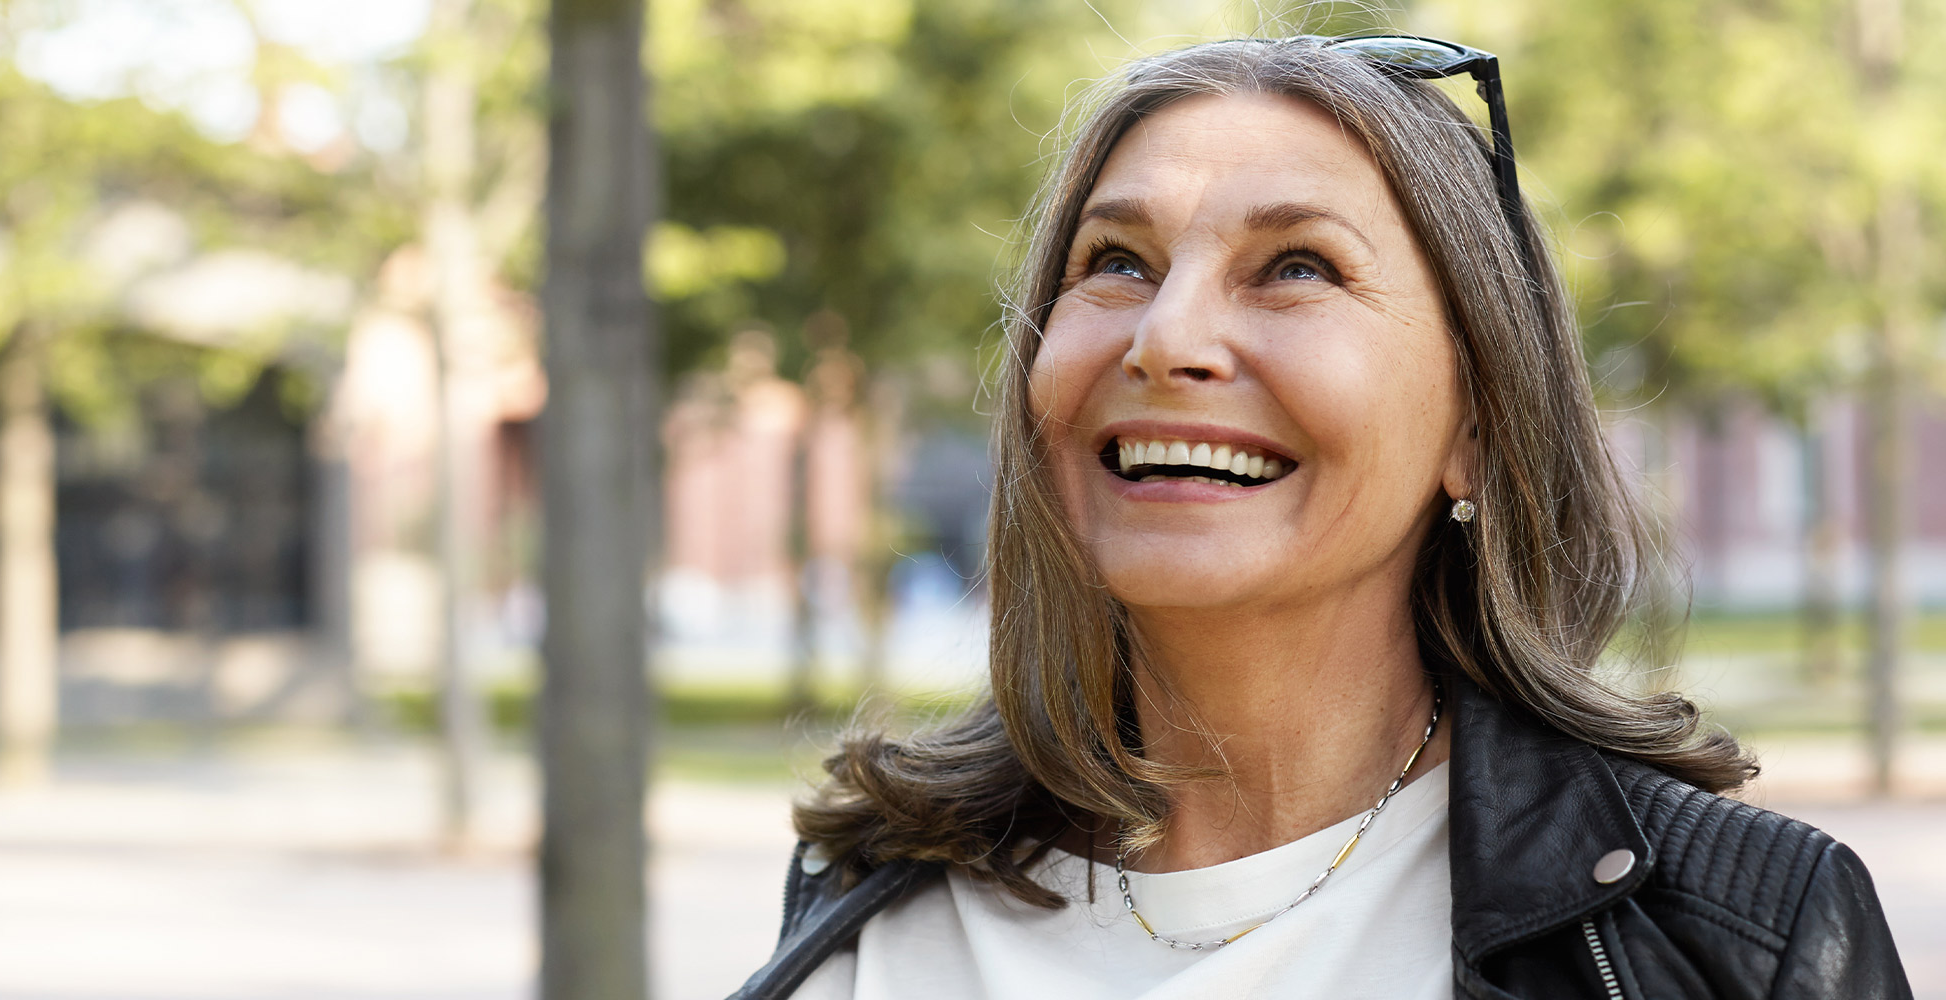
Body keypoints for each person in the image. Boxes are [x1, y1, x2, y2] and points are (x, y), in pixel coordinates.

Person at [729, 34, 1913, 1000]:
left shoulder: (1727, 940)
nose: (1164, 339)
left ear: (1478, 429)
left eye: (1295, 266)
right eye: (1117, 262)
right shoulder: (868, 899)